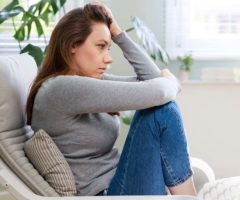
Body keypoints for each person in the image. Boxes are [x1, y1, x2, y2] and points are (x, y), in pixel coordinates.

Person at [26, 1, 197, 197]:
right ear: (73, 45)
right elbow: (160, 91)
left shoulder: (85, 81)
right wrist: (171, 80)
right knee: (162, 112)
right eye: (100, 46)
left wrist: (117, 32)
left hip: (119, 183)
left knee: (162, 108)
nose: (108, 58)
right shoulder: (61, 88)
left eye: (108, 48)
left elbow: (155, 81)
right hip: (107, 194)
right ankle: (190, 197)